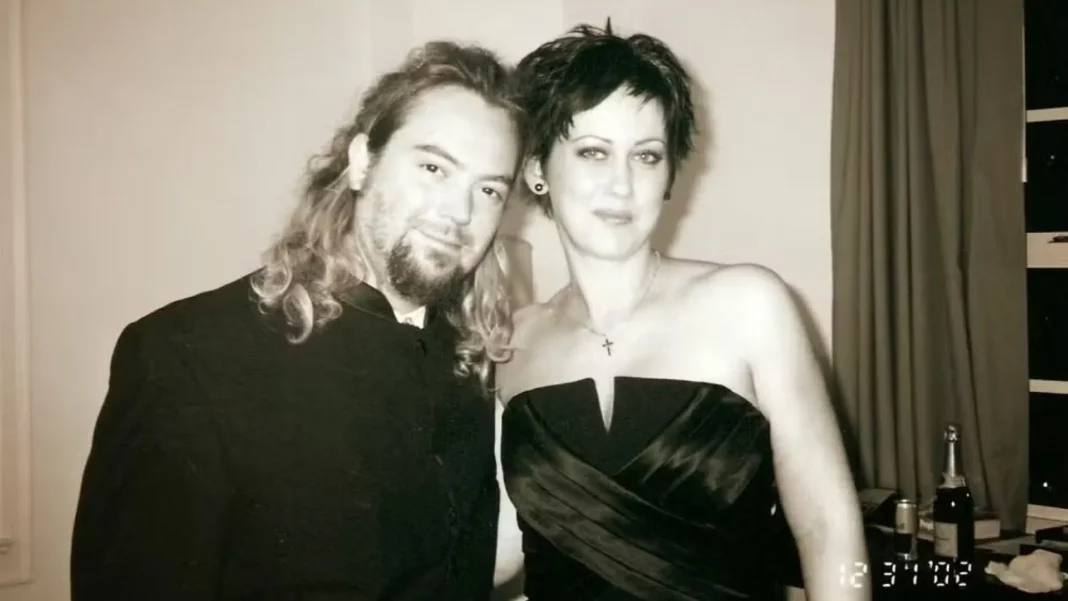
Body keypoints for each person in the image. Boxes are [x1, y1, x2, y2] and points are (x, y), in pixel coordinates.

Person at [71, 40, 527, 601]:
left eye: (488, 190)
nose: (459, 212)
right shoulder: (188, 355)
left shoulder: (472, 371)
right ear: (362, 161)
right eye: (433, 167)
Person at [493, 23, 869, 601]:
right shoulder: (509, 344)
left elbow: (831, 530)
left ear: (669, 175)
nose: (622, 184)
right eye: (593, 152)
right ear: (537, 168)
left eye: (646, 156)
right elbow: (499, 554)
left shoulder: (749, 304)